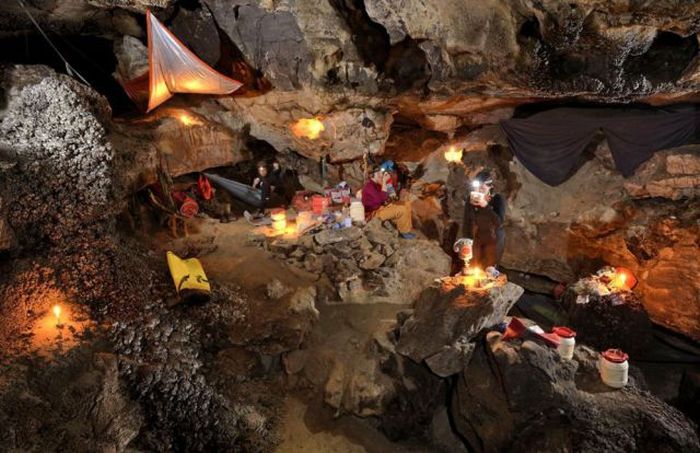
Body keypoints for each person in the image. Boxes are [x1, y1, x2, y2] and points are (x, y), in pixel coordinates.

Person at [462, 169, 506, 269]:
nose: (480, 189)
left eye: (483, 187)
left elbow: (499, 223)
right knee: (474, 267)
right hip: (478, 236)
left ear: (490, 187)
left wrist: (485, 206)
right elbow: (467, 221)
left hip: (494, 238)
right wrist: (466, 240)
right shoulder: (471, 199)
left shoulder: (497, 199)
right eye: (478, 187)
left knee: (489, 270)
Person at [362, 165, 416, 239]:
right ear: (373, 176)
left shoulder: (377, 184)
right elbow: (382, 198)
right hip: (373, 214)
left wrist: (386, 185)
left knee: (406, 204)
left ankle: (407, 228)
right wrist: (384, 181)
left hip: (381, 207)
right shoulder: (369, 187)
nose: (381, 175)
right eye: (379, 174)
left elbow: (389, 196)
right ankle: (404, 232)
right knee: (401, 209)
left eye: (381, 173)